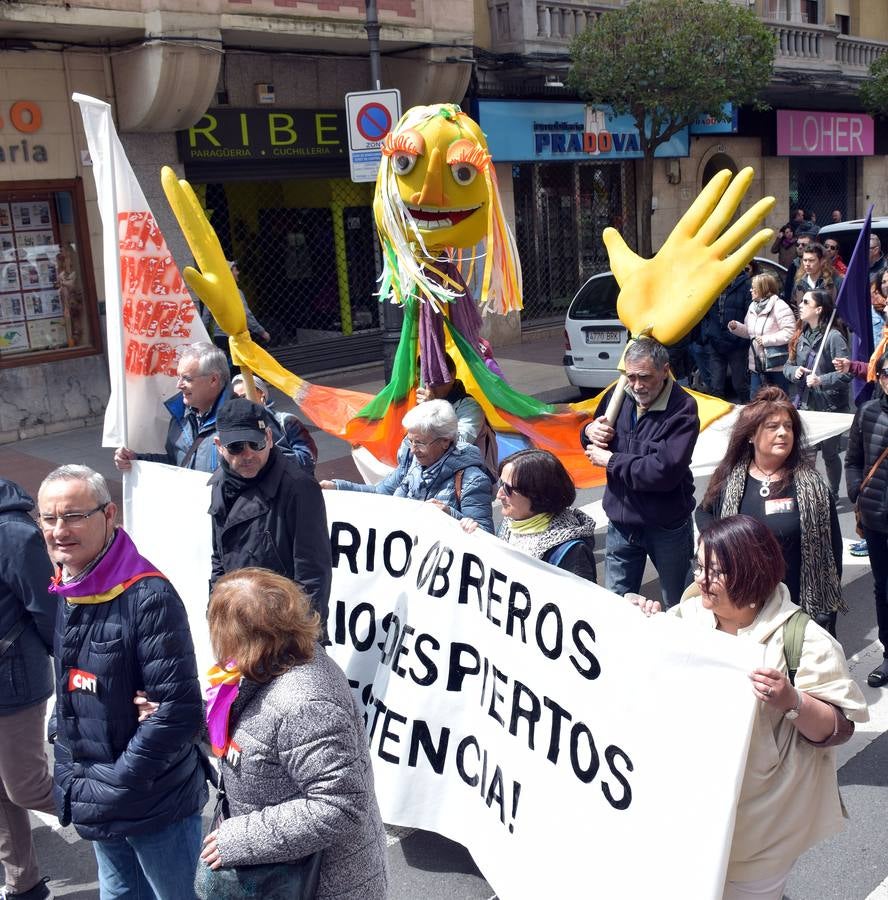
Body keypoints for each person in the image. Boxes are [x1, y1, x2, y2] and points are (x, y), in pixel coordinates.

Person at [629, 515, 867, 900]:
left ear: (753, 573)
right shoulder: (691, 613)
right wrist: (643, 618)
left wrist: (791, 699)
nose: (702, 580)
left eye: (716, 571)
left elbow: (837, 728)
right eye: (699, 565)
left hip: (763, 827)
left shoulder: (804, 639)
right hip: (691, 809)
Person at [37, 465, 207, 899]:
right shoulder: (71, 583)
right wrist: (65, 741)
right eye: (49, 518)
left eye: (74, 516)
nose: (59, 530)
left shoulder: (148, 596)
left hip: (151, 800)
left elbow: (177, 713)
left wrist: (116, 780)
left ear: (110, 514)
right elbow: (73, 680)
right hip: (97, 792)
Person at [197, 568, 387, 898]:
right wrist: (180, 716)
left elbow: (340, 804)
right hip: (283, 874)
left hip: (323, 884)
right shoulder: (262, 665)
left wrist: (240, 838)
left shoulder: (305, 701)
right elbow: (243, 730)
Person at [696, 387, 844, 636]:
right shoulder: (729, 478)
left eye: (788, 426)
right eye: (772, 426)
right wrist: (724, 544)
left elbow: (832, 550)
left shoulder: (813, 486)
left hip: (796, 606)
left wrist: (824, 611)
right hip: (740, 604)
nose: (783, 433)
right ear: (751, 435)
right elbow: (703, 513)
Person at [580, 337, 698, 607]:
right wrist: (588, 431)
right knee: (617, 604)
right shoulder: (618, 395)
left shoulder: (683, 409)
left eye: (645, 377)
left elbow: (664, 472)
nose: (636, 385)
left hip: (666, 525)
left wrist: (611, 461)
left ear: (665, 370)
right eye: (631, 377)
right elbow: (594, 440)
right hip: (621, 524)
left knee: (678, 604)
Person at [208, 398, 332, 628]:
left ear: (269, 439)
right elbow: (219, 558)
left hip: (282, 630)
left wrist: (301, 640)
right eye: (236, 447)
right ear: (219, 446)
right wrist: (217, 613)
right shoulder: (220, 484)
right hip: (238, 625)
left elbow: (313, 574)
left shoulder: (298, 487)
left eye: (255, 444)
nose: (247, 455)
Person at [0, 479, 56, 900]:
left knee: (27, 786)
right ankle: (24, 883)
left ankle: (132, 814)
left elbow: (49, 610)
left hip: (15, 681)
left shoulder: (14, 532)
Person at [321, 400, 495, 534]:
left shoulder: (472, 480)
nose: (412, 450)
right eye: (410, 441)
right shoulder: (412, 463)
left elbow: (485, 535)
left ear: (445, 441)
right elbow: (380, 493)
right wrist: (337, 487)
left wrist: (449, 514)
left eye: (419, 443)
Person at [462, 449, 597, 581]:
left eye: (508, 489)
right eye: (500, 484)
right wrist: (475, 540)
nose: (499, 495)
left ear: (537, 494)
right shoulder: (510, 524)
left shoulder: (571, 552)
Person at [114, 341, 231, 474]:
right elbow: (175, 464)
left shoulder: (239, 419)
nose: (179, 385)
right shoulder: (180, 416)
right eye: (179, 377)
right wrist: (136, 460)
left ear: (213, 380)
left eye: (187, 378)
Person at [846, 353, 888, 687]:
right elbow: (854, 460)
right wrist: (856, 493)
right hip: (877, 521)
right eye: (887, 373)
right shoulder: (867, 413)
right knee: (884, 589)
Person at [784, 290, 851, 496]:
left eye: (806, 302)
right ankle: (809, 495)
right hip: (806, 405)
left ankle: (833, 492)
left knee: (830, 455)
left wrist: (822, 379)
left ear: (819, 309)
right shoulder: (801, 334)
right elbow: (788, 365)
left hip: (830, 407)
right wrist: (794, 371)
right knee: (806, 454)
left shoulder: (834, 337)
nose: (800, 305)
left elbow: (846, 375)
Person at [416, 353, 498, 474]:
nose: (429, 387)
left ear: (452, 374)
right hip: (432, 473)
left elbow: (458, 443)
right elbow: (408, 447)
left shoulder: (470, 407)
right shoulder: (421, 405)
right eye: (423, 380)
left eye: (436, 379)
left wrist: (432, 409)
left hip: (469, 477)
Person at [230, 373, 317, 475]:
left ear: (261, 393)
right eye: (236, 399)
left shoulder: (286, 421)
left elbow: (307, 461)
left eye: (244, 396)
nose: (241, 402)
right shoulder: (236, 430)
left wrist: (267, 452)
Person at [727, 272, 794, 394]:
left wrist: (766, 340)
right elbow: (750, 333)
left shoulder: (780, 306)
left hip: (776, 366)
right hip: (757, 366)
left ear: (764, 289)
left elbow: (790, 333)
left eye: (754, 288)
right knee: (756, 400)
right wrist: (736, 327)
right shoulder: (753, 306)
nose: (750, 291)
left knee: (778, 402)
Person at [702, 269, 751, 402]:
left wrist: (740, 338)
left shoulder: (746, 285)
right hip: (715, 340)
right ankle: (718, 417)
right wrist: (708, 332)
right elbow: (705, 311)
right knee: (716, 385)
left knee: (739, 384)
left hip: (737, 342)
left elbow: (749, 314)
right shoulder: (713, 285)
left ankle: (748, 410)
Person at [203, 260, 271, 354]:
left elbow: (205, 318)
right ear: (228, 273)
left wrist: (202, 338)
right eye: (235, 270)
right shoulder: (236, 293)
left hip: (219, 337)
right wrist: (262, 332)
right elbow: (246, 314)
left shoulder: (213, 292)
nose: (238, 272)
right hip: (235, 338)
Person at [790, 243, 842, 311]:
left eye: (811, 260)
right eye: (805, 260)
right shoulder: (799, 282)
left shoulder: (835, 281)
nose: (807, 264)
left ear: (822, 261)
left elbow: (842, 309)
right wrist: (801, 320)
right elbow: (794, 306)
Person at [783, 233, 812, 307]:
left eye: (804, 245)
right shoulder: (793, 265)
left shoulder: (817, 266)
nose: (800, 247)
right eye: (798, 244)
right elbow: (788, 289)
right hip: (795, 306)